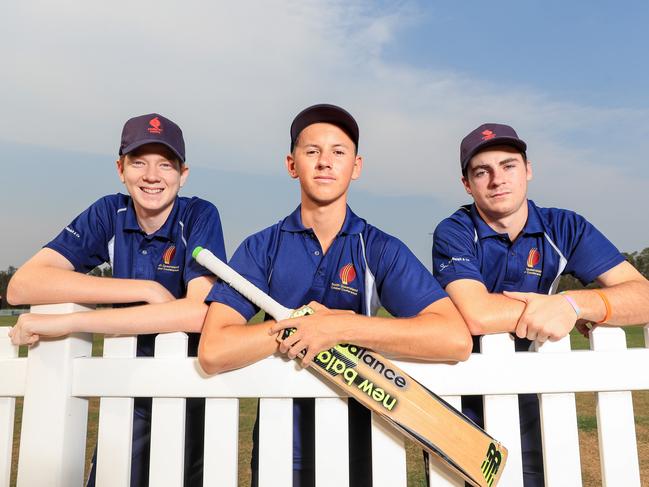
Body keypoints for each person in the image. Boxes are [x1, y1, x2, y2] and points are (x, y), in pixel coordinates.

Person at [198, 103, 471, 487]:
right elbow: (214, 351)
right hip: (281, 447)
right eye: (312, 152)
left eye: (338, 152)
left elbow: (453, 339)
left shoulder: (378, 248)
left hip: (361, 444)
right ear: (292, 164)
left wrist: (341, 327)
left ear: (356, 166)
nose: (325, 162)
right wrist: (303, 328)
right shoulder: (262, 248)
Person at [7, 113, 226, 487]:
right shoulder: (111, 211)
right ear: (120, 168)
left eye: (165, 165)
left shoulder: (198, 214)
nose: (152, 176)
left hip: (188, 390)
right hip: (123, 387)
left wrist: (71, 322)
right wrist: (143, 290)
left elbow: (197, 313)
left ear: (183, 174)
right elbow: (22, 286)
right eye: (138, 162)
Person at [432, 122, 649, 486]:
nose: (497, 179)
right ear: (467, 185)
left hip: (539, 398)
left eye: (509, 165)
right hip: (463, 400)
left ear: (528, 170)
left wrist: (574, 304)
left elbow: (642, 295)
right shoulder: (454, 230)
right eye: (482, 171)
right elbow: (477, 314)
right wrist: (553, 309)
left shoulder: (564, 226)